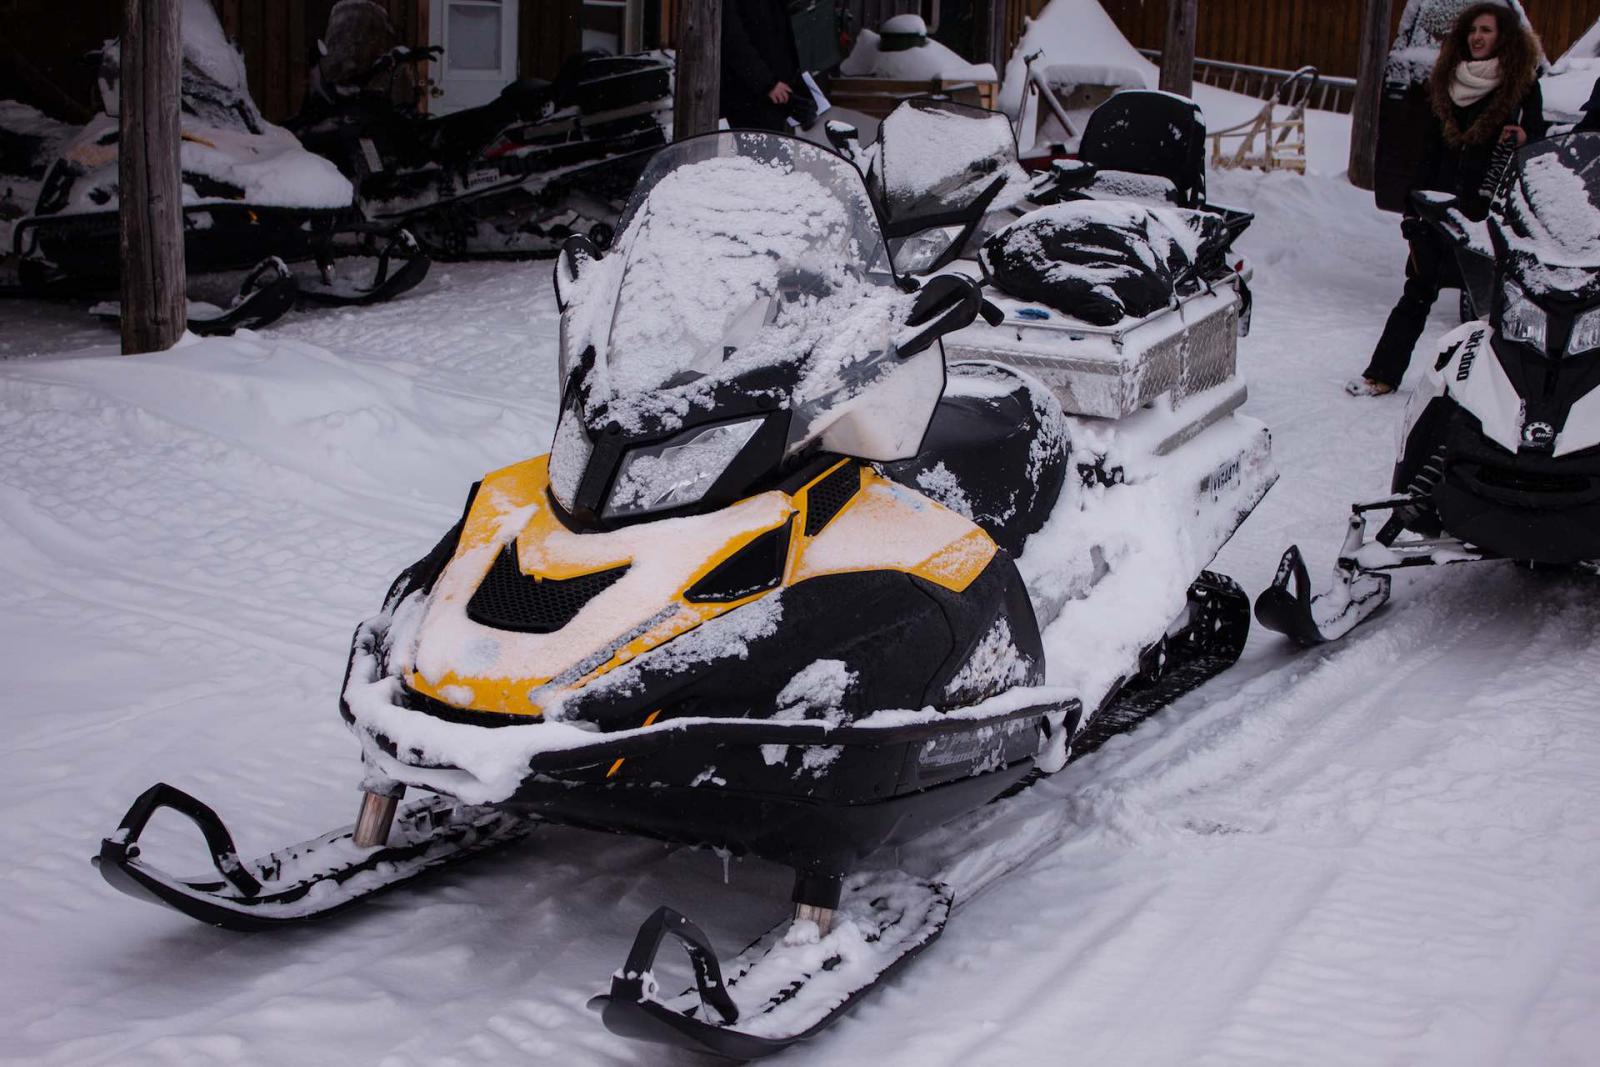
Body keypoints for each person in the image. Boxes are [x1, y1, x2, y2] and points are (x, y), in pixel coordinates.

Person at [1348, 2, 1546, 397]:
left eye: (1486, 30)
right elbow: (1426, 153)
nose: (1477, 37)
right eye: (1472, 30)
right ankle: (1382, 374)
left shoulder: (1522, 88)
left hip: (1487, 216)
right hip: (1438, 209)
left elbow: (1538, 149)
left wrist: (1528, 138)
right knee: (1417, 291)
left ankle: (1497, 395)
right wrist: (1413, 209)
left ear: (1503, 36)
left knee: (1492, 309)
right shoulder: (1446, 82)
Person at [720, 0, 806, 132]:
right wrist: (767, 83)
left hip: (778, 87)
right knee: (760, 146)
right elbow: (734, 41)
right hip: (750, 95)